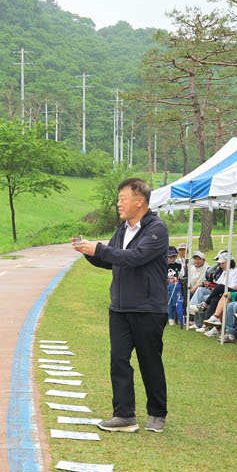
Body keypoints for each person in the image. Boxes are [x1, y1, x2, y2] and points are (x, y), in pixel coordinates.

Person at [71, 177, 170, 433]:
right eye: (118, 199)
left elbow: (136, 257)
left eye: (122, 199)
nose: (118, 204)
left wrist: (99, 249)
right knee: (118, 360)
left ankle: (157, 412)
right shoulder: (123, 230)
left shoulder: (157, 229)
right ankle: (124, 415)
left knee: (150, 362)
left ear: (140, 201)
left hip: (148, 308)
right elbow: (110, 260)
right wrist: (88, 252)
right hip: (120, 308)